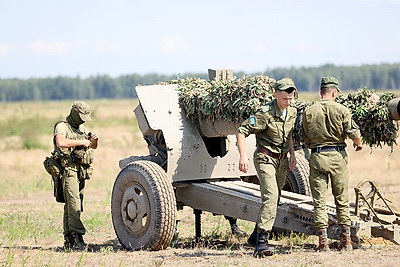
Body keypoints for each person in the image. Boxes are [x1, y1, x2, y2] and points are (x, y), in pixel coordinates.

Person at [236, 78, 297, 257]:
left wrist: (292, 153)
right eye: (285, 98)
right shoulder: (265, 113)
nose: (288, 102)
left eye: (291, 98)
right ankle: (262, 242)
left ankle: (255, 235)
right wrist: (242, 155)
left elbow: (289, 134)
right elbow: (241, 130)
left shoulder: (292, 112)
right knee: (270, 196)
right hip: (265, 158)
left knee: (275, 198)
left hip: (282, 160)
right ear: (275, 95)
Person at [302, 77, 362, 252]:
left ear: (321, 92)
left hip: (317, 157)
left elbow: (305, 135)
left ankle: (323, 243)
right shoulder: (342, 109)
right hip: (337, 157)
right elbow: (353, 132)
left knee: (319, 201)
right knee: (342, 200)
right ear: (334, 92)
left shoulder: (309, 111)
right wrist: (358, 143)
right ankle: (346, 241)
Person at [53, 101, 99, 250]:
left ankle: (69, 241)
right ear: (74, 113)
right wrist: (81, 141)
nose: (83, 120)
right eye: (81, 116)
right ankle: (77, 238)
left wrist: (93, 140)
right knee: (74, 205)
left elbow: (92, 146)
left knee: (72, 204)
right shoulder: (62, 126)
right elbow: (60, 142)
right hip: (69, 169)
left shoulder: (82, 128)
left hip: (81, 171)